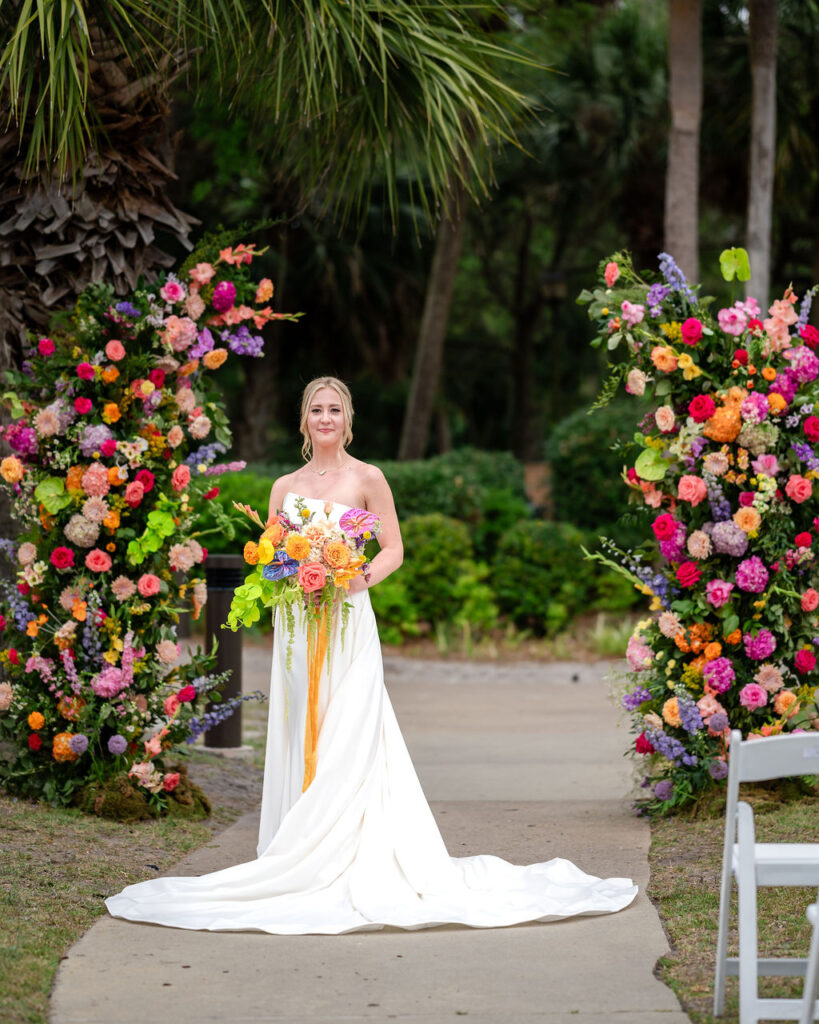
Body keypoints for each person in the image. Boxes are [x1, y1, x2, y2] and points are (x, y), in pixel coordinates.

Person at [105, 376, 637, 933]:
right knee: (302, 726)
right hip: (297, 625)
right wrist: (284, 572)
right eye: (317, 409)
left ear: (348, 418)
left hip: (348, 620)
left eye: (335, 409)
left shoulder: (368, 478)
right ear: (305, 419)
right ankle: (300, 845)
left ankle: (351, 849)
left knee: (351, 727)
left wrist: (355, 575)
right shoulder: (284, 485)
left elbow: (394, 549)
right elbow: (268, 555)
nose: (326, 418)